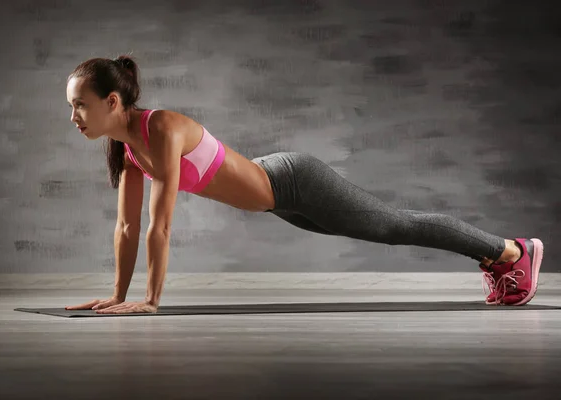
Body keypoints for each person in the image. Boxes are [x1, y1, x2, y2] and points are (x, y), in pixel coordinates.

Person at [65, 55, 544, 314]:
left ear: (111, 101)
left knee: (393, 226)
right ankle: (500, 257)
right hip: (281, 204)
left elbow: (160, 226)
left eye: (80, 105)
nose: (74, 117)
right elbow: (127, 229)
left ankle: (512, 253)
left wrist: (149, 302)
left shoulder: (162, 128)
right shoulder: (127, 151)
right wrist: (118, 295)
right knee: (387, 227)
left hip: (294, 182)